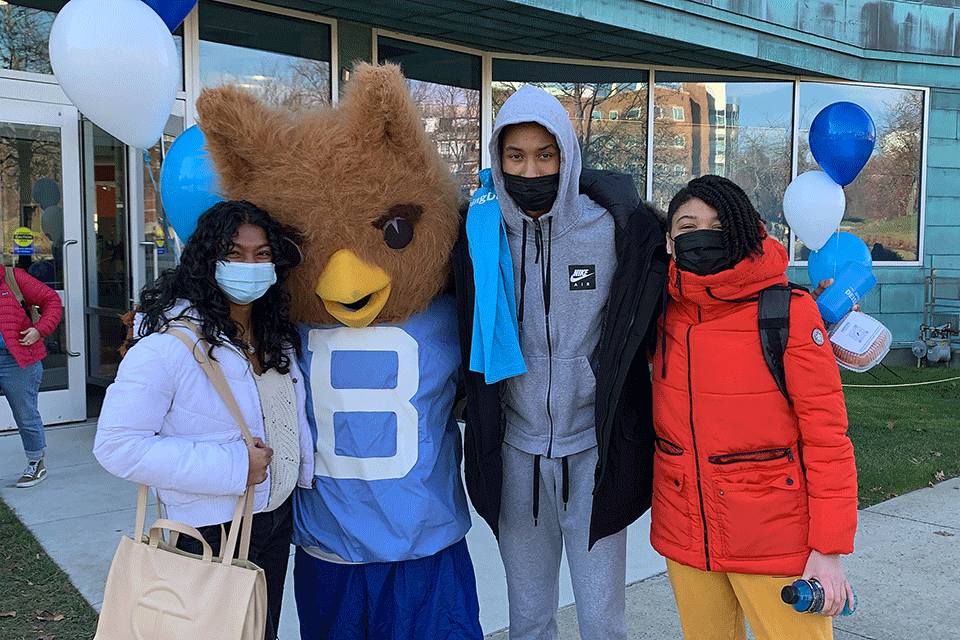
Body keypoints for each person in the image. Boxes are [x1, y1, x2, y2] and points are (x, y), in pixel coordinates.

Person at [452, 85, 668, 640]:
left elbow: (666, 299)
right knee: (528, 619)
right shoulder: (478, 232)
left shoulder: (614, 229)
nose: (531, 169)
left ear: (567, 155)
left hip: (593, 454)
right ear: (498, 158)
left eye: (545, 155)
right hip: (516, 454)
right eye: (516, 156)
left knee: (601, 620)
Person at [93, 200, 313, 640]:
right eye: (233, 252)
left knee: (258, 631)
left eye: (262, 254)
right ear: (206, 260)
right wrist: (234, 466)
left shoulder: (276, 338)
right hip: (210, 527)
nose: (248, 265)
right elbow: (116, 445)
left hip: (273, 518)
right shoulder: (168, 346)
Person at [651, 174, 858, 640]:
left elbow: (827, 439)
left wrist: (828, 550)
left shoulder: (787, 312)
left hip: (775, 542)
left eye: (719, 224)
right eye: (688, 226)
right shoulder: (660, 310)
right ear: (669, 241)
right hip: (687, 535)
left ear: (746, 230)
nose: (702, 235)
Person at [1, 263, 62, 487]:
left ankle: (36, 463)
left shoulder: (12, 278)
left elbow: (52, 300)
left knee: (25, 413)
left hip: (16, 358)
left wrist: (40, 329)